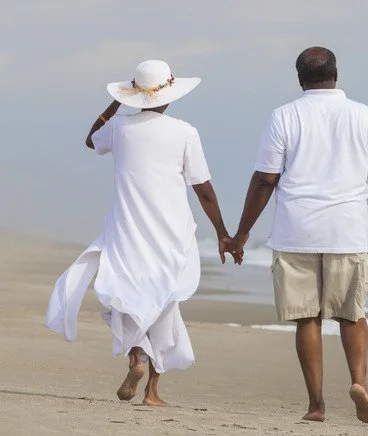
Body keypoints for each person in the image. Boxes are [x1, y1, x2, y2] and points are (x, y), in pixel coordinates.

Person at [46, 60, 232, 407]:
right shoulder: (185, 132)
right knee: (164, 302)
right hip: (171, 233)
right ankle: (153, 393)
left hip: (127, 230)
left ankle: (136, 358)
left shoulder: (118, 127)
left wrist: (117, 103)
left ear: (135, 94)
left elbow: (91, 140)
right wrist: (223, 233)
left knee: (128, 298)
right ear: (170, 95)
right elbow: (203, 189)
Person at [231, 47, 368, 423]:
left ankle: (316, 405)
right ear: (336, 74)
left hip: (296, 231)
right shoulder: (363, 115)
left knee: (307, 318)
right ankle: (359, 383)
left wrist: (241, 233)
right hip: (347, 230)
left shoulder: (284, 116)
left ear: (299, 78)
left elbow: (265, 180)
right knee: (351, 315)